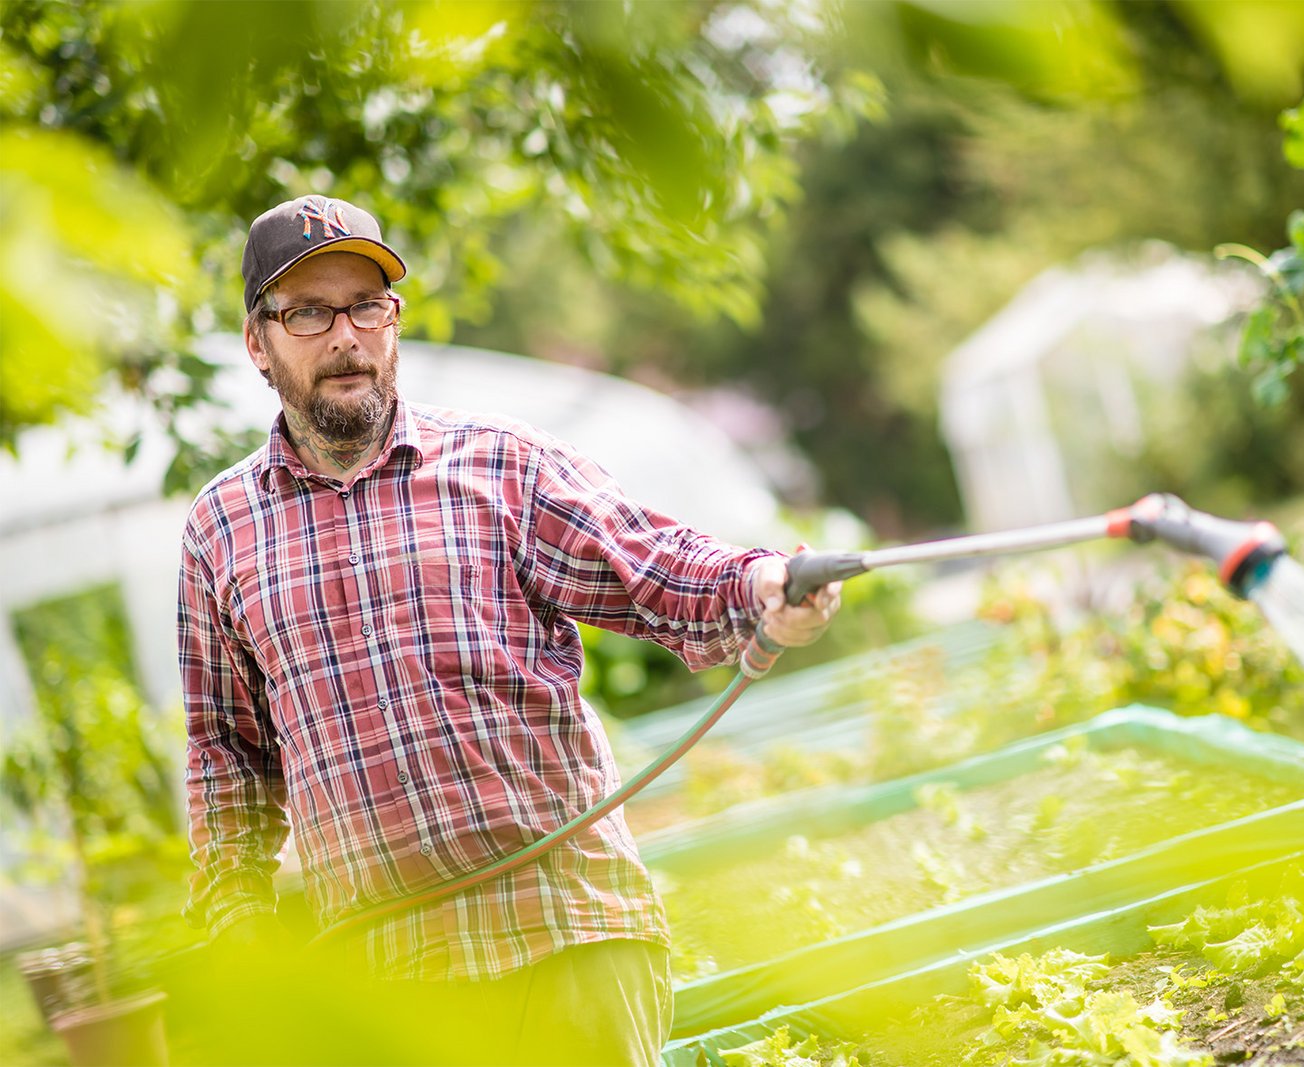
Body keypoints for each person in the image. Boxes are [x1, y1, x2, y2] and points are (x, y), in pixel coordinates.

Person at [178, 194, 841, 1066]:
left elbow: (652, 565)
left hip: (566, 934)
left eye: (365, 305)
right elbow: (226, 761)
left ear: (394, 321)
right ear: (258, 342)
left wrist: (759, 583)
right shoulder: (220, 527)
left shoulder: (501, 463)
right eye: (308, 311)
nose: (344, 334)